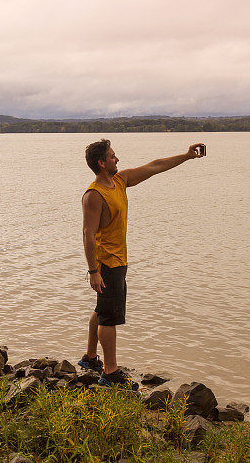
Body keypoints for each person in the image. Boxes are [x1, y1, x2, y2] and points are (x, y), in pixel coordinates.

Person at [78, 139, 206, 388]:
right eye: (113, 156)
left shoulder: (120, 181)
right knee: (109, 318)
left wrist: (187, 156)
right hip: (107, 264)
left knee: (102, 308)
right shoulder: (94, 195)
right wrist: (94, 271)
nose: (118, 159)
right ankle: (110, 372)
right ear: (101, 163)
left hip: (118, 260)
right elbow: (87, 234)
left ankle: (90, 357)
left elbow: (155, 166)